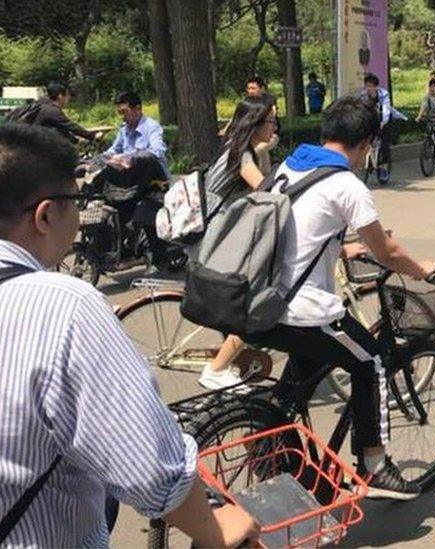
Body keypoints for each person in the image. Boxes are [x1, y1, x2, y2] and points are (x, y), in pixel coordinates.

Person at [0, 124, 259, 547]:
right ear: (46, 215)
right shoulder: (63, 305)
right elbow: (149, 467)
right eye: (77, 202)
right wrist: (213, 532)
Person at [244, 96, 435, 499]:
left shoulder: (291, 166)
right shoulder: (346, 184)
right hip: (305, 309)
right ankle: (375, 464)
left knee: (303, 370)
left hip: (265, 304)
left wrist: (341, 247)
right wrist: (420, 269)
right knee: (372, 360)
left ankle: (268, 437)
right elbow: (388, 253)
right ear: (367, 143)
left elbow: (299, 230)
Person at [197, 93, 281, 390]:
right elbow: (264, 188)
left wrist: (263, 150)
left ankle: (232, 357)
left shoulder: (242, 148)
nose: (275, 125)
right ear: (256, 122)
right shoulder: (241, 153)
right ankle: (217, 369)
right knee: (252, 302)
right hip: (215, 238)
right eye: (271, 120)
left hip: (221, 233)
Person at [98, 91, 171, 270]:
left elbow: (157, 152)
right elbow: (113, 150)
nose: (122, 117)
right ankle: (121, 250)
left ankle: (158, 256)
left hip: (155, 181)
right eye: (119, 113)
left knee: (145, 212)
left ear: (138, 109)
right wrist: (96, 160)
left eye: (124, 112)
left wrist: (131, 157)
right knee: (111, 207)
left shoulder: (151, 127)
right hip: (131, 184)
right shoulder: (124, 130)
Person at [359, 72, 407, 185]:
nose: (369, 88)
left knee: (384, 145)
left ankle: (383, 167)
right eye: (367, 85)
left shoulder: (383, 94)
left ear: (376, 86)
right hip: (371, 120)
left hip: (384, 120)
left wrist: (383, 122)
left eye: (371, 86)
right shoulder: (363, 96)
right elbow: (360, 110)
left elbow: (386, 109)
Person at [29, 83, 104, 143]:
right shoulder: (52, 111)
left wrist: (75, 140)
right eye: (67, 95)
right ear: (60, 96)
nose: (69, 98)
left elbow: (60, 129)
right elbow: (72, 127)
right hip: (40, 148)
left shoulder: (40, 105)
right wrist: (93, 136)